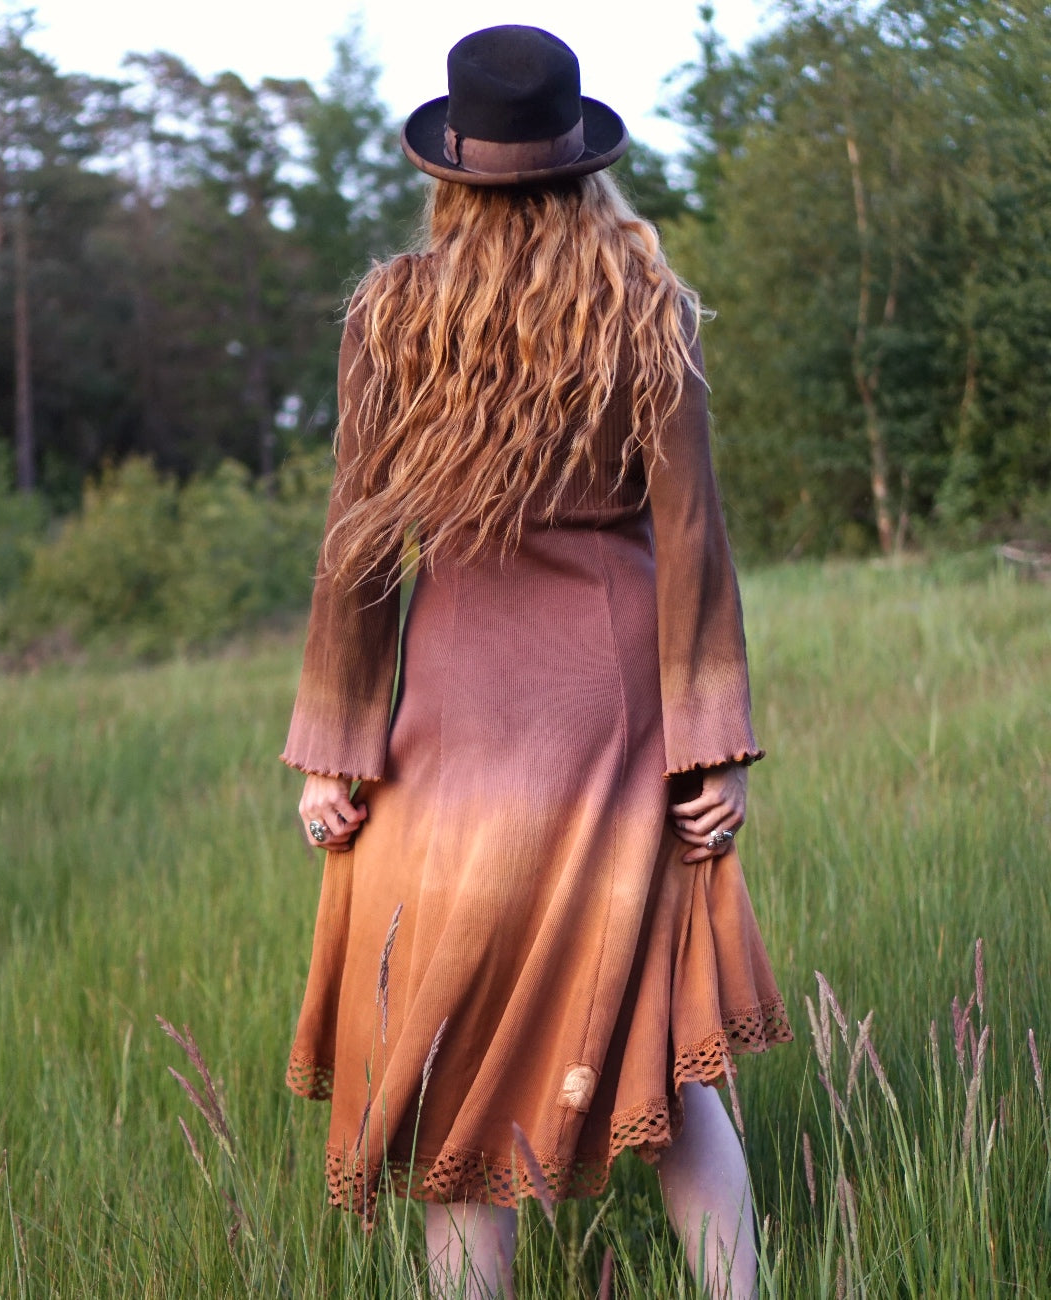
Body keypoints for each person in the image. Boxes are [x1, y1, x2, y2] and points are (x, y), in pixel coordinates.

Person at [281, 25, 792, 1300]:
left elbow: (359, 550)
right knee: (665, 1055)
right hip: (616, 712)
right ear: (581, 165)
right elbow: (692, 539)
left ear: (453, 169)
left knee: (448, 1045)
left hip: (457, 718)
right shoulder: (644, 303)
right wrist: (710, 744)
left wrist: (335, 751)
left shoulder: (395, 312)